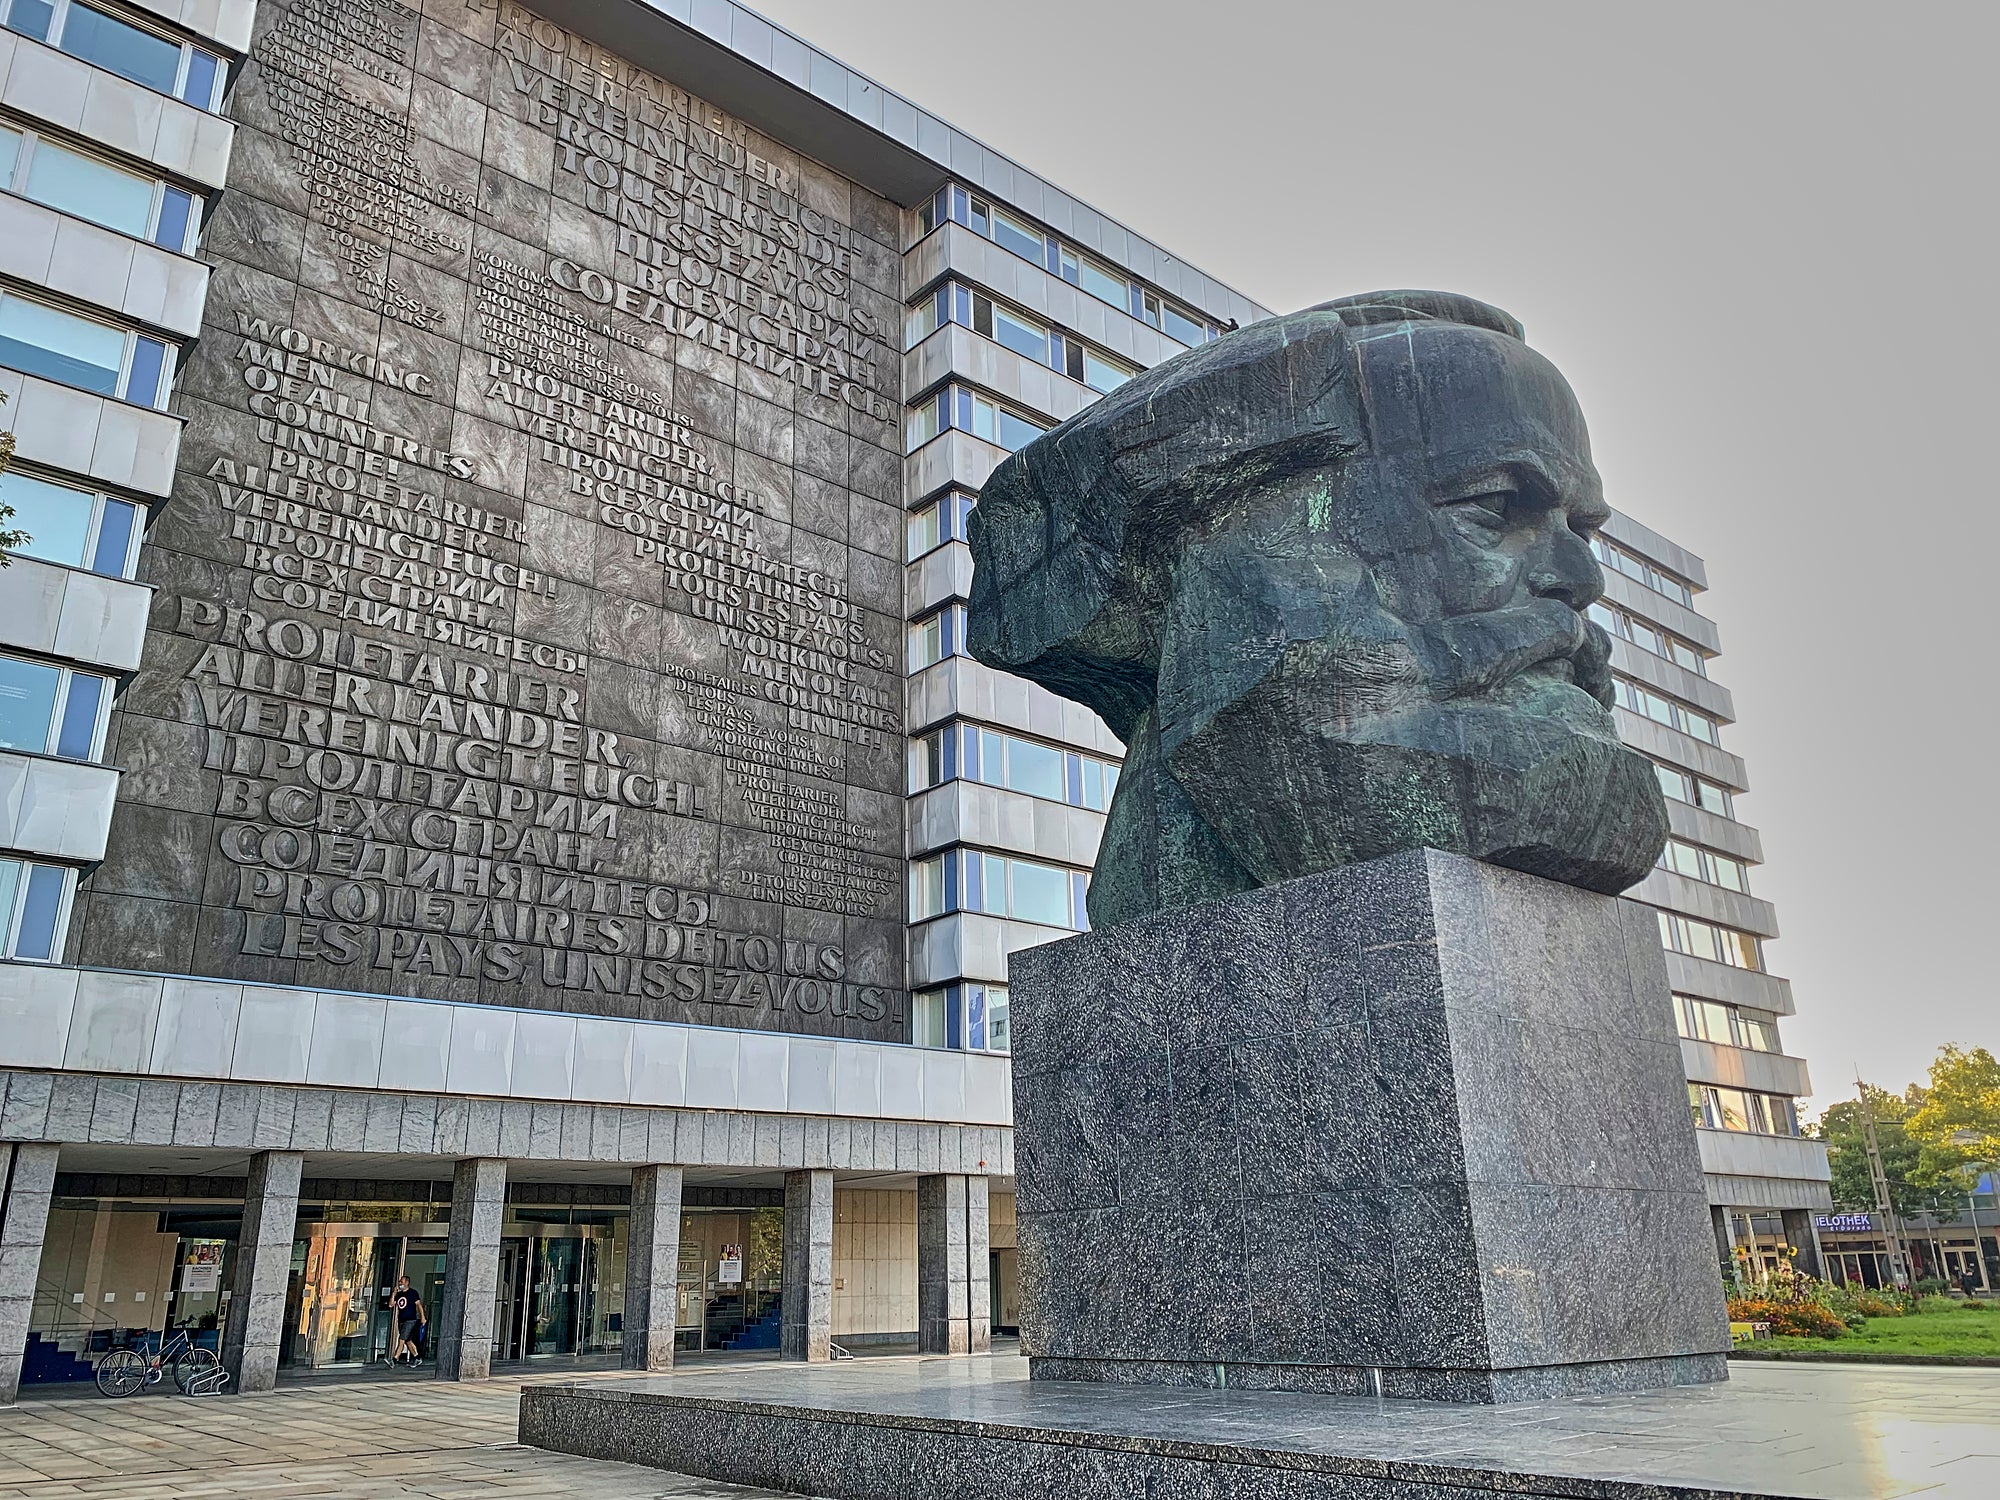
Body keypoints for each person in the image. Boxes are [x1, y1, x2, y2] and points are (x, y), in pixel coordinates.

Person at [389, 1275, 427, 1366]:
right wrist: (394, 1294)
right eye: (399, 1282)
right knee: (408, 1340)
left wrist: (423, 1317)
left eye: (401, 1282)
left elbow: (419, 1305)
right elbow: (391, 1305)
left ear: (407, 1283)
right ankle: (417, 1357)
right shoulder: (399, 1294)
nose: (400, 1283)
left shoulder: (412, 1293)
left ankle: (394, 1359)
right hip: (401, 1320)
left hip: (410, 1320)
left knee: (401, 1340)